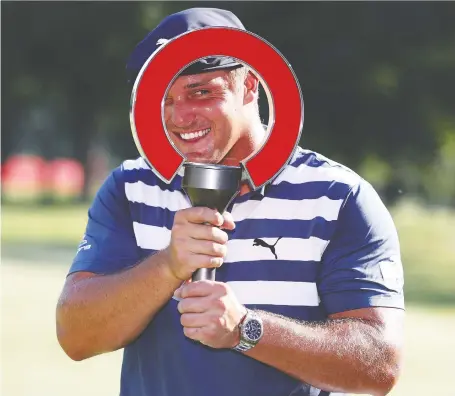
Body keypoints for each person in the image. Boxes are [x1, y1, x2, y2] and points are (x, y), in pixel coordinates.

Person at [56, 7, 405, 396]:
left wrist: (247, 330)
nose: (180, 117)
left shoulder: (337, 197)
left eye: (201, 92)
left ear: (251, 86)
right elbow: (76, 336)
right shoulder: (131, 187)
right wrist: (168, 266)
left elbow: (379, 366)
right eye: (164, 98)